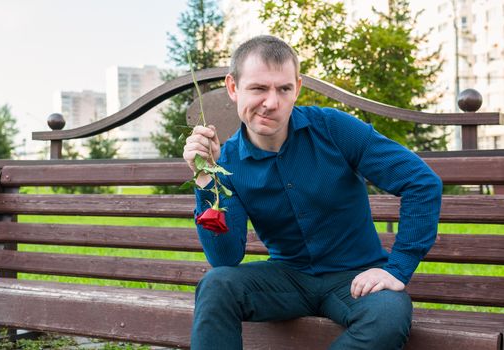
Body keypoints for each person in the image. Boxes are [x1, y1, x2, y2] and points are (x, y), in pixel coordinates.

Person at [183, 35, 442, 350]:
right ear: (233, 87)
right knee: (216, 285)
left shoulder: (334, 128)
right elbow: (225, 257)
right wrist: (205, 178)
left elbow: (420, 181)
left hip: (356, 279)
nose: (271, 102)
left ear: (298, 88)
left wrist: (398, 267)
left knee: (388, 314)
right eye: (258, 88)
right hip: (287, 280)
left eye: (283, 89)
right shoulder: (226, 163)